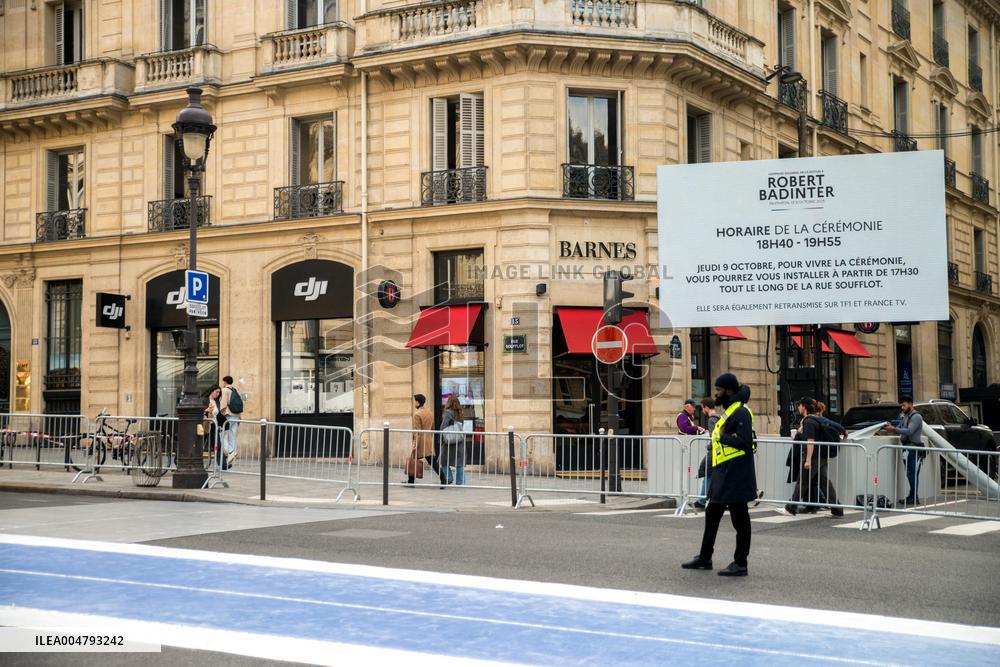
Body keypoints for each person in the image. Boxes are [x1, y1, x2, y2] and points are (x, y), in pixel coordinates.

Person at [682, 373, 756, 577]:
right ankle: (705, 557)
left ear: (729, 390)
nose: (716, 393)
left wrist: (722, 437)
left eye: (719, 389)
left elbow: (744, 443)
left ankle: (741, 563)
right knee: (712, 514)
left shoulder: (740, 412)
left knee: (740, 519)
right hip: (723, 472)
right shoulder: (730, 410)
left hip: (736, 473)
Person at [785, 398, 843, 517]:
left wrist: (807, 460)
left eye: (799, 406)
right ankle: (837, 509)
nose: (798, 408)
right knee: (824, 483)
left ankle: (791, 508)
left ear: (804, 407)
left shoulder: (809, 421)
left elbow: (810, 441)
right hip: (821, 456)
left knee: (803, 482)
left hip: (813, 457)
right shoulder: (817, 419)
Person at [884, 395, 925, 505]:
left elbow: (909, 431)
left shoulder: (916, 417)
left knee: (912, 473)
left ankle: (914, 497)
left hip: (913, 448)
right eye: (901, 405)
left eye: (904, 405)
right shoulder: (905, 416)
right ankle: (912, 496)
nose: (902, 407)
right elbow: (900, 428)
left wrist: (894, 428)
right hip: (907, 448)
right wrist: (890, 427)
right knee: (910, 473)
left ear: (910, 404)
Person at [407, 394, 442, 484]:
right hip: (429, 439)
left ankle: (411, 481)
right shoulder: (429, 412)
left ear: (418, 402)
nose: (414, 403)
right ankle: (444, 478)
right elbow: (433, 427)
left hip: (421, 441)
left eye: (415, 401)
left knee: (413, 458)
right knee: (432, 461)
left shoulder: (417, 414)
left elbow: (417, 431)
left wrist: (415, 442)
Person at [693, 398, 719, 509]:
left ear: (706, 407)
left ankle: (702, 500)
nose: (702, 410)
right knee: (712, 475)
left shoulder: (712, 420)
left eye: (702, 407)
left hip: (715, 452)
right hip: (720, 452)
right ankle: (704, 500)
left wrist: (710, 447)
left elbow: (715, 437)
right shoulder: (719, 417)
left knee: (708, 474)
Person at [438, 395, 466, 487]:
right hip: (459, 440)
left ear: (449, 402)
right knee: (459, 463)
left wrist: (440, 436)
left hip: (449, 441)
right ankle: (460, 482)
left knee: (443, 461)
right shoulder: (461, 412)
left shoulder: (448, 412)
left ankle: (449, 477)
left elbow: (443, 426)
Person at [203, 385, 228, 471]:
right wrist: (206, 410)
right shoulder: (204, 400)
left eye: (219, 393)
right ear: (211, 391)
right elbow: (198, 411)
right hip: (205, 425)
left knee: (218, 445)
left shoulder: (216, 402)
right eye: (216, 392)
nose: (217, 394)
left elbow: (217, 415)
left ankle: (223, 465)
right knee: (200, 445)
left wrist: (224, 421)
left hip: (214, 426)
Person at [219, 375, 241, 464]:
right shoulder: (235, 390)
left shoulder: (224, 390)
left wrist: (220, 414)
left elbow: (223, 404)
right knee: (232, 434)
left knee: (222, 434)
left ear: (225, 382)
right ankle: (234, 451)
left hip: (228, 415)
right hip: (236, 415)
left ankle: (230, 451)